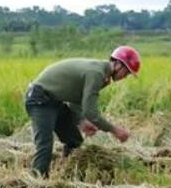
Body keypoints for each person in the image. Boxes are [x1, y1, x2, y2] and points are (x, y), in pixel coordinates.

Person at [24, 46, 141, 177]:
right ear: (118, 64)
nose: (125, 77)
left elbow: (76, 98)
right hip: (40, 100)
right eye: (126, 72)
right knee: (45, 146)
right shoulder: (97, 73)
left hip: (55, 101)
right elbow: (91, 112)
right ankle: (36, 183)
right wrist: (115, 130)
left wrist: (81, 121)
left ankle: (68, 175)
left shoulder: (101, 73)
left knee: (74, 140)